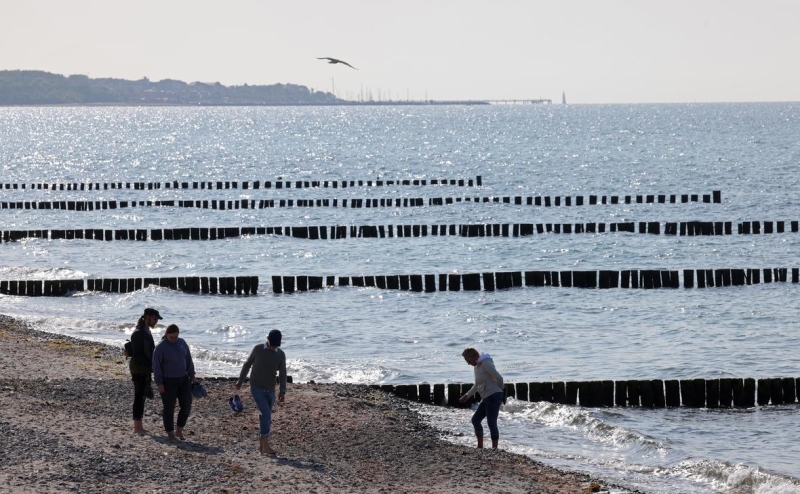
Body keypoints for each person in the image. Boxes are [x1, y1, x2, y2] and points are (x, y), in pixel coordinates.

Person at [236, 329, 287, 455]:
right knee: (266, 413)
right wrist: (240, 380)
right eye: (272, 343)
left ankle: (261, 446)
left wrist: (282, 391)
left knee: (266, 416)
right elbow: (247, 364)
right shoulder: (258, 349)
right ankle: (266, 445)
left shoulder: (280, 355)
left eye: (276, 345)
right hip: (256, 386)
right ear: (267, 338)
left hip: (270, 389)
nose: (274, 346)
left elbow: (283, 374)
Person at [152, 324, 197, 441]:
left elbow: (188, 360)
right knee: (169, 407)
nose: (174, 339)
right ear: (166, 335)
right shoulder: (160, 347)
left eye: (176, 336)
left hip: (183, 379)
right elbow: (156, 367)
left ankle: (179, 430)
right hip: (168, 381)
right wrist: (159, 383)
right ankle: (170, 433)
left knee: (187, 405)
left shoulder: (182, 343)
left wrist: (192, 376)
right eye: (171, 337)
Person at [459, 347, 504, 449]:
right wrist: (467, 395)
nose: (467, 363)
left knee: (491, 422)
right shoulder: (477, 366)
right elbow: (477, 385)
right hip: (487, 397)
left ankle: (495, 449)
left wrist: (500, 390)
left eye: (467, 360)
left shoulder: (485, 363)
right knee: (475, 420)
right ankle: (480, 447)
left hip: (494, 395)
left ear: (473, 357)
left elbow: (499, 378)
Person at [130, 307, 160, 434]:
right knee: (139, 396)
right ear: (147, 317)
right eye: (154, 319)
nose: (156, 322)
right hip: (138, 369)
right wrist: (151, 364)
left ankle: (139, 425)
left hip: (145, 368)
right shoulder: (138, 332)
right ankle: (137, 427)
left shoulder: (146, 331)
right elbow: (137, 354)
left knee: (142, 397)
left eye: (157, 319)